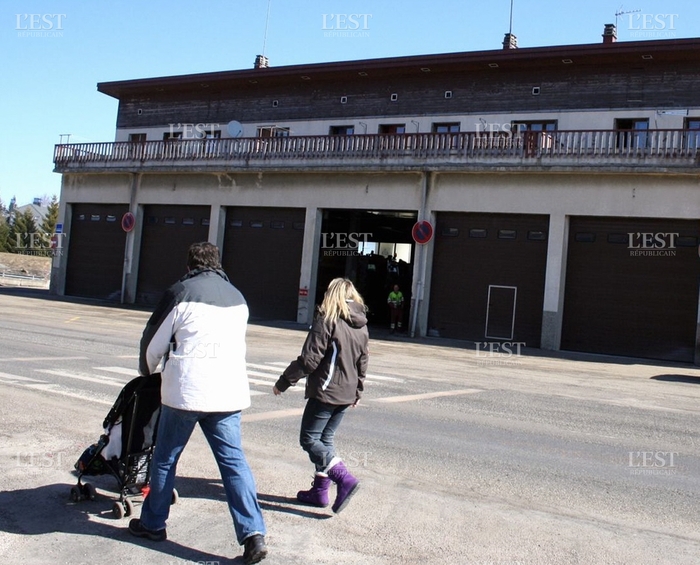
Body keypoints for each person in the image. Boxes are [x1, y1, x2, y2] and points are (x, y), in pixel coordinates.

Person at [129, 242, 268, 565]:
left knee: (165, 459)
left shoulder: (180, 292)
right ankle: (253, 535)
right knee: (233, 464)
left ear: (190, 265)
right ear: (217, 264)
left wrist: (148, 372)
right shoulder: (238, 297)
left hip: (186, 392)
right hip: (228, 393)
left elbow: (153, 343)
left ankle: (152, 523)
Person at [272, 278, 369, 513]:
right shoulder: (362, 325)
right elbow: (363, 361)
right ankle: (319, 491)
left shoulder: (327, 320)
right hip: (345, 394)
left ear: (331, 294)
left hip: (326, 392)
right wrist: (357, 391)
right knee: (325, 441)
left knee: (309, 439)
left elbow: (310, 359)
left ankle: (344, 478)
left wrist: (284, 382)